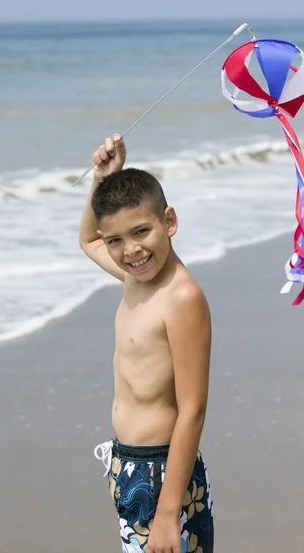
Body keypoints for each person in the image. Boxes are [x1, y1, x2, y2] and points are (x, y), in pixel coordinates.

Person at [79, 134, 214, 553]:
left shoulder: (181, 298)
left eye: (142, 232)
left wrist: (169, 513)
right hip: (127, 462)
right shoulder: (137, 278)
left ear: (168, 222)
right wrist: (102, 179)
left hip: (162, 472)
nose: (131, 250)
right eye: (117, 240)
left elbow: (192, 408)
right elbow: (88, 240)